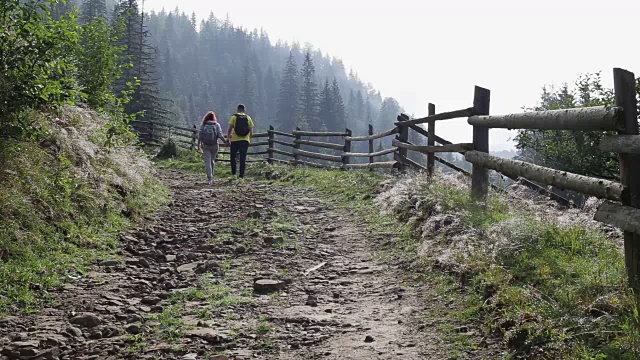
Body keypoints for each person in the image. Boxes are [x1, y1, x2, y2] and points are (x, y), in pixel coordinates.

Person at [198, 111, 227, 185]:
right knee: (212, 161)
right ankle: (211, 176)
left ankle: (209, 178)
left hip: (206, 145)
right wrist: (225, 141)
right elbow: (220, 135)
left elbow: (200, 135)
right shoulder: (216, 125)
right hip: (214, 145)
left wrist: (199, 145)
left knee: (208, 162)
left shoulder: (204, 125)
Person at [227, 104, 254, 179]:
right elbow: (251, 131)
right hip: (245, 141)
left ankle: (234, 174)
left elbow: (230, 129)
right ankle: (241, 176)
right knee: (243, 159)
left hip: (235, 140)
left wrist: (228, 138)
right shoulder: (248, 117)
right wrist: (249, 139)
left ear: (237, 109)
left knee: (233, 157)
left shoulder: (234, 117)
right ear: (244, 110)